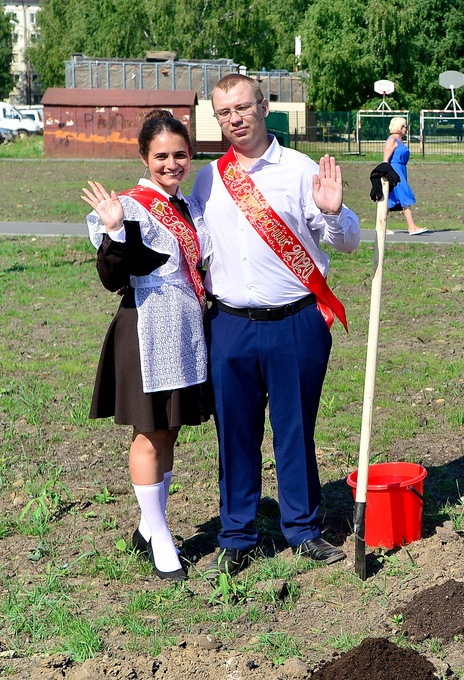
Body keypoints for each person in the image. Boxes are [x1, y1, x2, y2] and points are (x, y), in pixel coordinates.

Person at [191, 73, 361, 577]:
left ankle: (303, 529)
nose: (235, 119)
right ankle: (237, 533)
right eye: (224, 113)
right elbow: (195, 247)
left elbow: (347, 240)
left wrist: (334, 213)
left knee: (294, 429)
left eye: (242, 107)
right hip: (230, 327)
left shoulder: (300, 169)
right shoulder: (209, 178)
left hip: (296, 322)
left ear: (264, 106)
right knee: (235, 432)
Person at [81, 110, 212, 580]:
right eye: (161, 156)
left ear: (190, 156)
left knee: (170, 429)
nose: (171, 164)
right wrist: (115, 230)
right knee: (148, 433)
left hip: (186, 330)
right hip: (145, 330)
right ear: (144, 157)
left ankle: (146, 526)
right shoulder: (130, 206)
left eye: (180, 155)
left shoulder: (191, 207)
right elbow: (112, 278)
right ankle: (161, 537)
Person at [383, 116, 426, 235]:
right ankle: (411, 227)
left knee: (391, 198)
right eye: (404, 126)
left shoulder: (400, 140)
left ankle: (381, 226)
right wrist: (386, 173)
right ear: (398, 127)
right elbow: (386, 159)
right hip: (395, 171)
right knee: (404, 195)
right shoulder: (392, 140)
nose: (406, 128)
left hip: (401, 169)